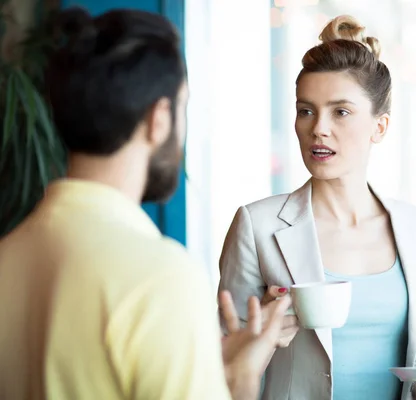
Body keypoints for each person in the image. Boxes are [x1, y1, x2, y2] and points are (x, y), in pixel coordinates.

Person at [0, 7, 289, 400]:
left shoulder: (8, 253)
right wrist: (239, 381)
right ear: (161, 117)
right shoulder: (160, 276)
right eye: (183, 107)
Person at [218, 15, 416, 400]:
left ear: (380, 127)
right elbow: (225, 371)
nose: (318, 128)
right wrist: (266, 340)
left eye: (340, 111)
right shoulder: (257, 226)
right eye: (306, 110)